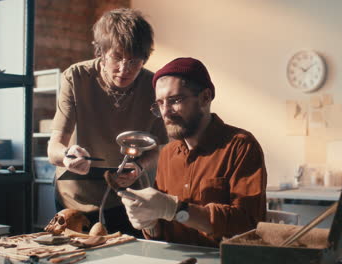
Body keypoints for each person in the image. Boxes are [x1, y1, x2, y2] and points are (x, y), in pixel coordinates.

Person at [118, 57, 267, 247]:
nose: (165, 112)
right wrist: (149, 223)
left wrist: (177, 209)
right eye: (160, 104)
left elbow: (248, 226)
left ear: (205, 97)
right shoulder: (167, 154)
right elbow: (163, 233)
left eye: (174, 100)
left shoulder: (241, 147)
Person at [47, 8, 167, 237]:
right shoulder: (76, 77)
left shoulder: (152, 85)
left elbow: (159, 148)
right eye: (117, 57)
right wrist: (67, 157)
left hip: (126, 196)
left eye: (134, 61)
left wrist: (139, 167)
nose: (125, 69)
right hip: (75, 197)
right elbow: (53, 149)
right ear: (101, 52)